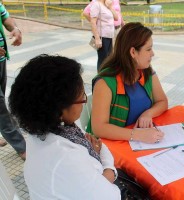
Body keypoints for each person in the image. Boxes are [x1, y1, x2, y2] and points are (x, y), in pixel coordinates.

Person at [9, 54, 120, 199]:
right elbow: (112, 196)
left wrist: (101, 166)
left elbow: (100, 147)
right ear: (60, 108)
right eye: (81, 97)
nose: (84, 101)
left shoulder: (41, 133)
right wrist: (109, 170)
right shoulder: (65, 156)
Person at [90, 22, 168, 143]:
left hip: (135, 143)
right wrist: (138, 135)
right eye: (148, 49)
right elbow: (99, 128)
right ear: (133, 52)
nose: (152, 54)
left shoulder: (146, 71)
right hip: (108, 149)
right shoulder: (105, 82)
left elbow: (162, 102)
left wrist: (148, 114)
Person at [0, 3, 26, 160]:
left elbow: (6, 18)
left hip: (1, 60)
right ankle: (21, 146)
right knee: (0, 105)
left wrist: (15, 29)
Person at [90, 0, 118, 72]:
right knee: (103, 60)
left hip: (110, 36)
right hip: (102, 37)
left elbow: (116, 18)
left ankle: (106, 77)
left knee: (108, 59)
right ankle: (99, 79)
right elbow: (93, 22)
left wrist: (111, 7)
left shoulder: (107, 5)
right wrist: (97, 38)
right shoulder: (96, 4)